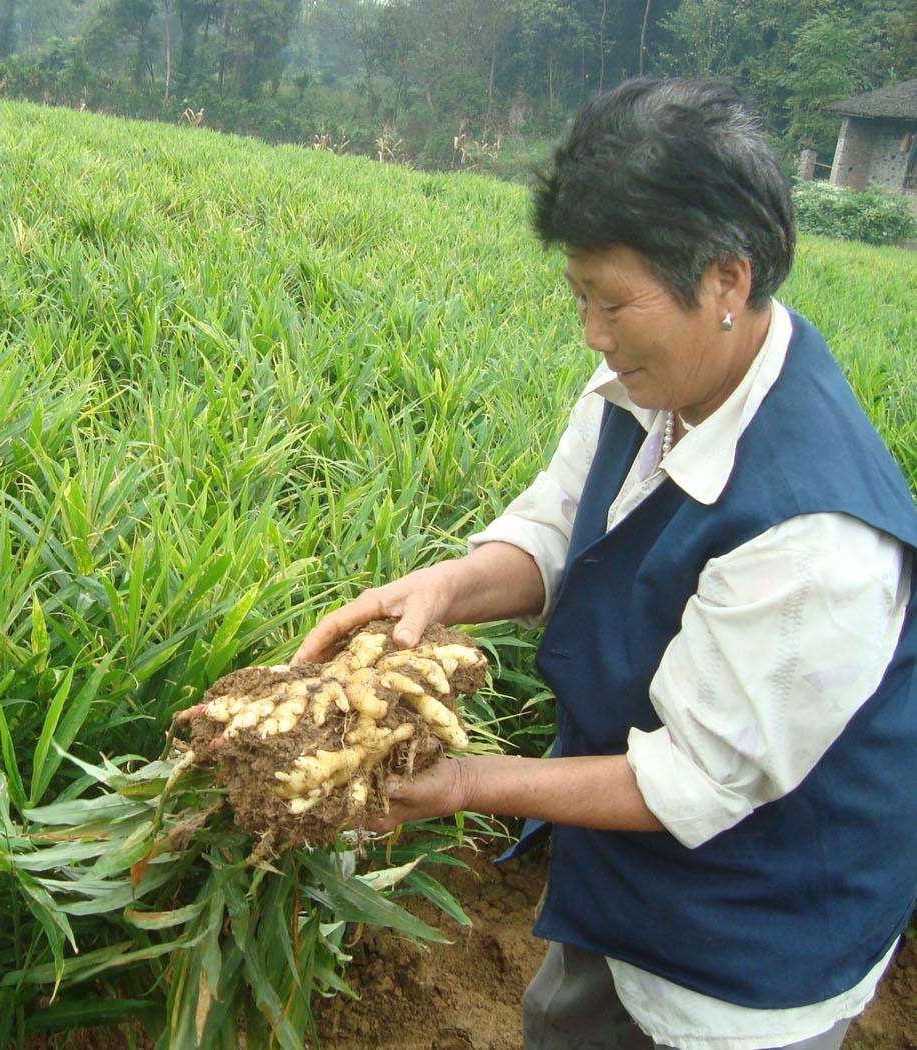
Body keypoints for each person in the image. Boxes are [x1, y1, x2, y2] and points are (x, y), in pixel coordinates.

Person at [291, 76, 917, 1050]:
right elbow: (557, 530)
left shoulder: (819, 538)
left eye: (614, 303)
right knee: (573, 1019)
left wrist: (460, 782)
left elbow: (694, 780)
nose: (591, 333)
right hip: (622, 877)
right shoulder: (654, 375)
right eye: (580, 295)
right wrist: (445, 587)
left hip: (754, 942)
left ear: (726, 281)